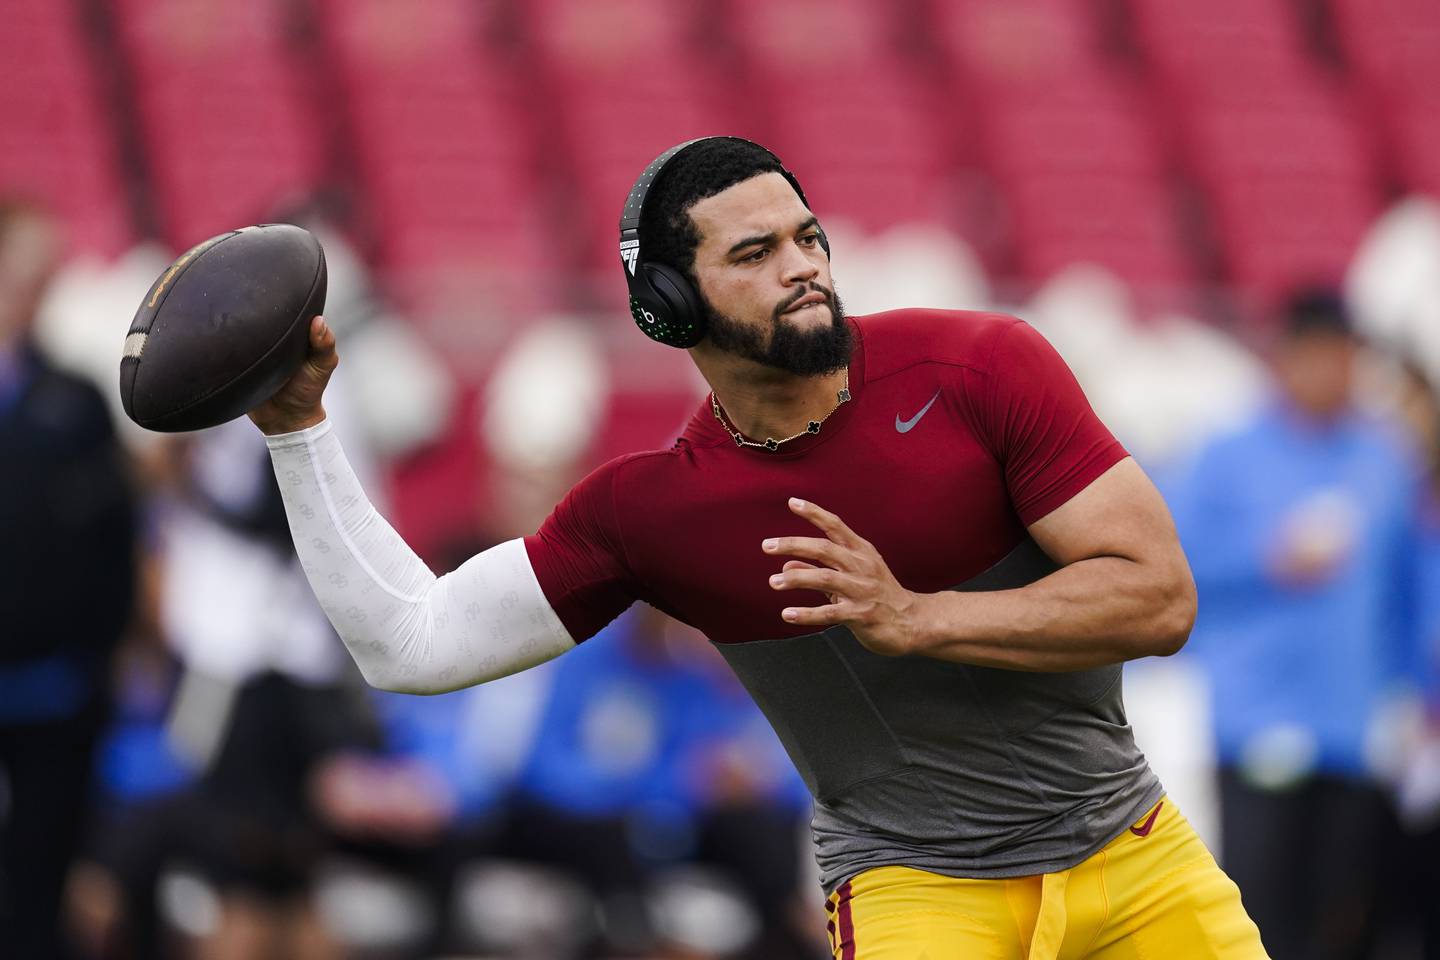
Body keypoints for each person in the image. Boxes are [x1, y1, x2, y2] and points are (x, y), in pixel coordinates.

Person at [248, 137, 1266, 958]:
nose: (803, 269)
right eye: (754, 254)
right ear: (668, 308)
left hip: (1134, 850)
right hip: (916, 886)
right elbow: (410, 644)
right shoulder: (657, 511)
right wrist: (300, 429)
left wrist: (920, 618)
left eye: (806, 237)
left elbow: (1160, 599)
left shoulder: (984, 366)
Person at [1169, 292, 1424, 960]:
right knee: (1253, 921)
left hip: (1355, 732)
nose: (1330, 374)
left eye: (1343, 359)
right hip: (1257, 724)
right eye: (1314, 357)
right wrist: (1268, 561)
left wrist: (1413, 691)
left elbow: (1406, 586)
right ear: (1282, 360)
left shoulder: (1383, 458)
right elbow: (1175, 572)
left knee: (1347, 922)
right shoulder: (1227, 454)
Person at [0, 199, 138, 958]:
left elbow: (115, 536)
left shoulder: (75, 398)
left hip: (54, 687)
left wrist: (105, 650)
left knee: (39, 886)